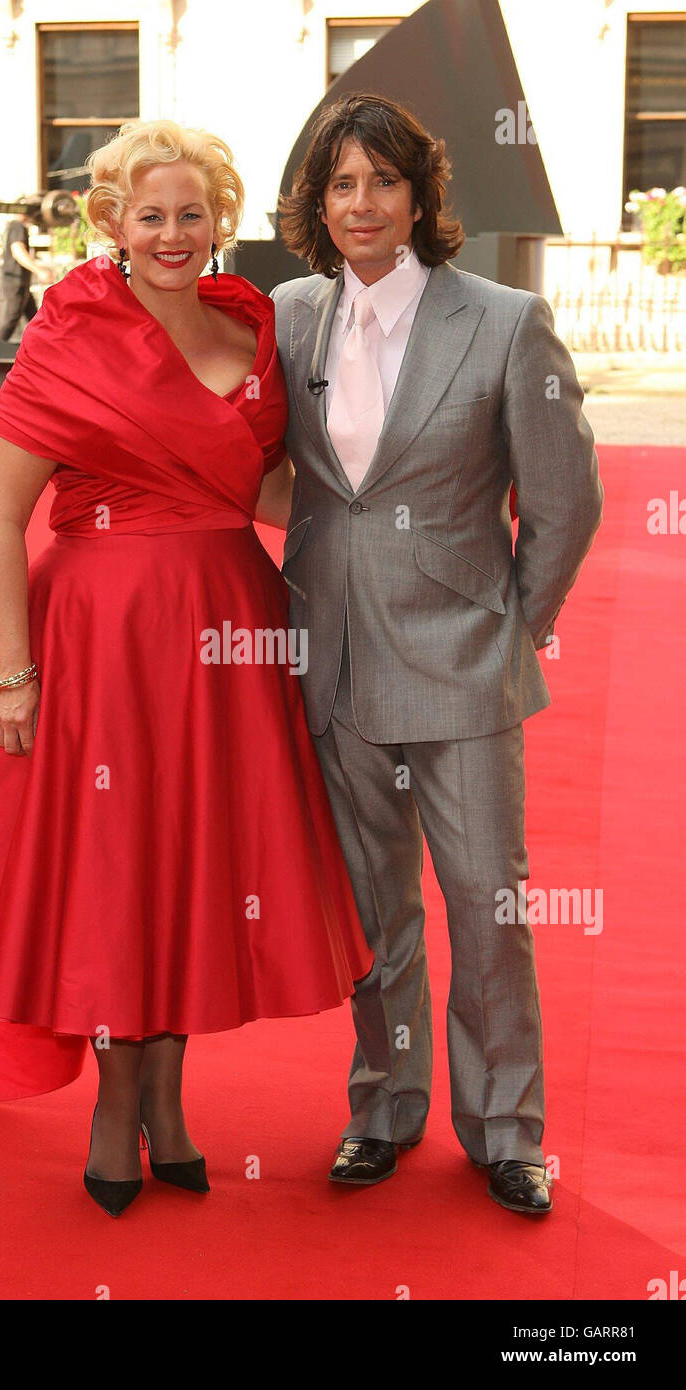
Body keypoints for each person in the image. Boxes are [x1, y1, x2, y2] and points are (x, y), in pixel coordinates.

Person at [0, 118, 374, 1219]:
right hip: (101, 636)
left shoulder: (251, 324)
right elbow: (0, 514)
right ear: (110, 220)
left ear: (220, 220)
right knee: (114, 871)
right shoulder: (70, 333)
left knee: (195, 862)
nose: (172, 233)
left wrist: (398, 511)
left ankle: (168, 1102)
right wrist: (14, 670)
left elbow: (263, 491)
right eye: (149, 214)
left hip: (228, 629)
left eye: (192, 213)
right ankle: (115, 1111)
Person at [270, 93, 603, 1215]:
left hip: (463, 662)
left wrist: (515, 622)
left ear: (421, 197)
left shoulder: (504, 320)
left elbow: (564, 497)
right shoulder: (287, 315)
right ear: (319, 204)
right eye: (341, 184)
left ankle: (506, 1126)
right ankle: (383, 1103)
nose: (361, 204)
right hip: (335, 658)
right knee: (371, 906)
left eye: (382, 181)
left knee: (486, 905)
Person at [0, 211, 53, 340]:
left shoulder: (13, 226)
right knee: (9, 323)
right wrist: (38, 270)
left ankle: (44, 350)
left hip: (19, 282)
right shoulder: (16, 226)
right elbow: (17, 250)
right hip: (15, 282)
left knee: (36, 320)